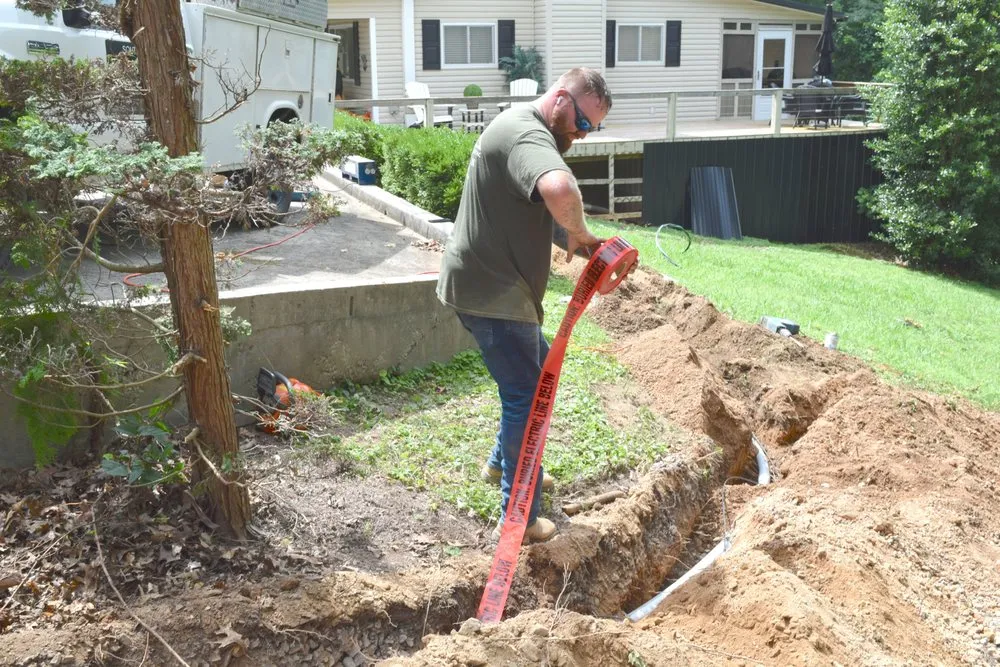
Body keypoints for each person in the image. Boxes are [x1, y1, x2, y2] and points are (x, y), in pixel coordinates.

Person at [435, 67, 613, 544]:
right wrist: (576, 228)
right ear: (559, 99)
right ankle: (521, 516)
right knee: (529, 396)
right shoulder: (527, 136)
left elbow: (535, 206)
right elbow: (559, 190)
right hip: (493, 294)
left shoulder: (525, 131)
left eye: (592, 128)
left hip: (488, 286)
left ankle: (501, 466)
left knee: (534, 374)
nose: (583, 132)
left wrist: (586, 241)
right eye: (582, 120)